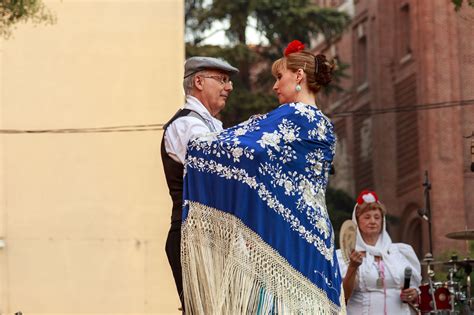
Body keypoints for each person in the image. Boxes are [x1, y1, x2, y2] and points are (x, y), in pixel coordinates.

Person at [180, 40, 345, 314]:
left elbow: (248, 147)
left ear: (299, 77)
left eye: (280, 77)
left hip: (286, 241)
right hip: (318, 236)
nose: (275, 86)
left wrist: (198, 145)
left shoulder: (294, 116)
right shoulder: (324, 125)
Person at [161, 56, 238, 310]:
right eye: (222, 80)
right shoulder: (187, 125)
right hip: (192, 238)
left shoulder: (205, 125)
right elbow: (217, 172)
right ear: (198, 81)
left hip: (208, 239)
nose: (229, 87)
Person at [337, 190, 421, 314]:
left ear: (382, 221)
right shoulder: (346, 255)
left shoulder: (400, 252)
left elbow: (415, 290)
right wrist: (352, 267)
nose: (372, 221)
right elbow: (343, 296)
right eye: (367, 217)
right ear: (357, 222)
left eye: (377, 217)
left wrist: (412, 293)